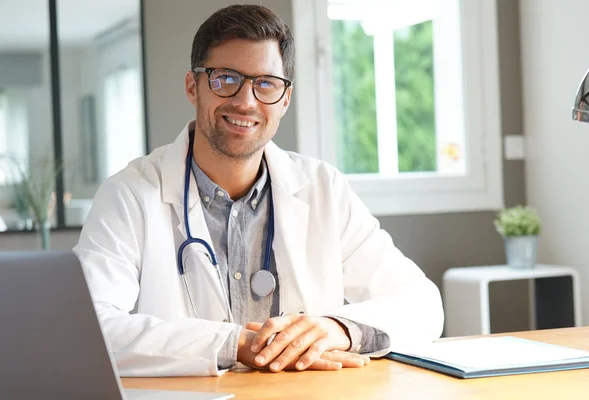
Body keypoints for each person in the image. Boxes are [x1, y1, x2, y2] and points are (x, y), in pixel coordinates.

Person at [74, 4, 444, 377]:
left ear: (284, 99)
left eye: (265, 83)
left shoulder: (323, 189)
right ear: (193, 86)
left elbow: (423, 305)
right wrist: (235, 344)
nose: (246, 101)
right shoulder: (129, 193)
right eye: (225, 78)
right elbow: (87, 329)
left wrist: (337, 329)